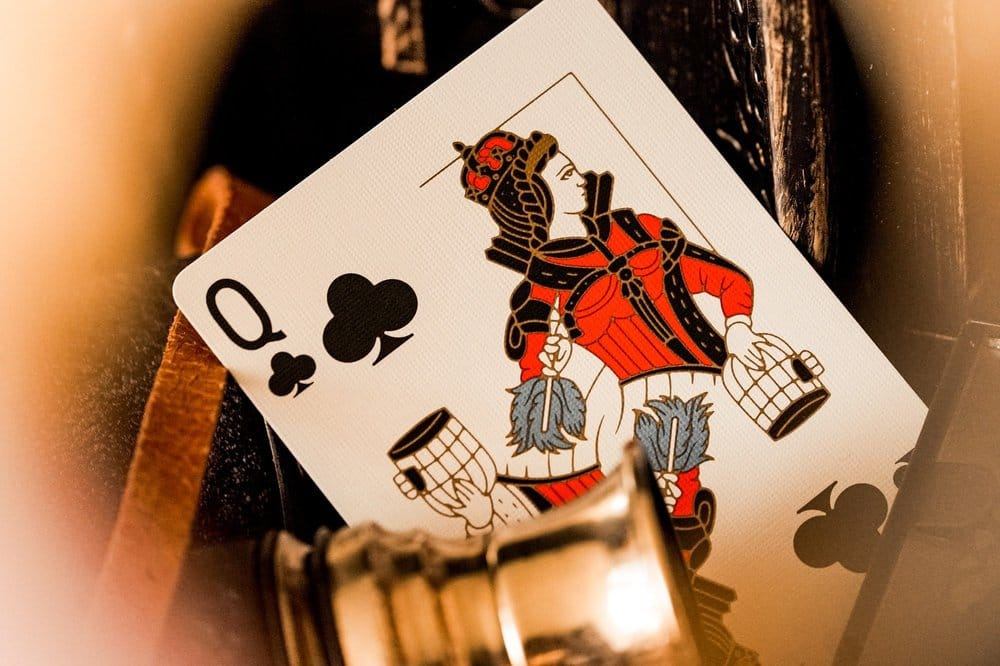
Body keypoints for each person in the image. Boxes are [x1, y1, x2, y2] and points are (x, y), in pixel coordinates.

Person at [452, 129, 768, 543]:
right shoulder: (542, 289)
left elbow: (727, 280)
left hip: (728, 379)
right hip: (644, 416)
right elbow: (539, 395)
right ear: (535, 201)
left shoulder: (637, 231)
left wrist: (739, 327)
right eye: (566, 175)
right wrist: (552, 366)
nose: (582, 177)